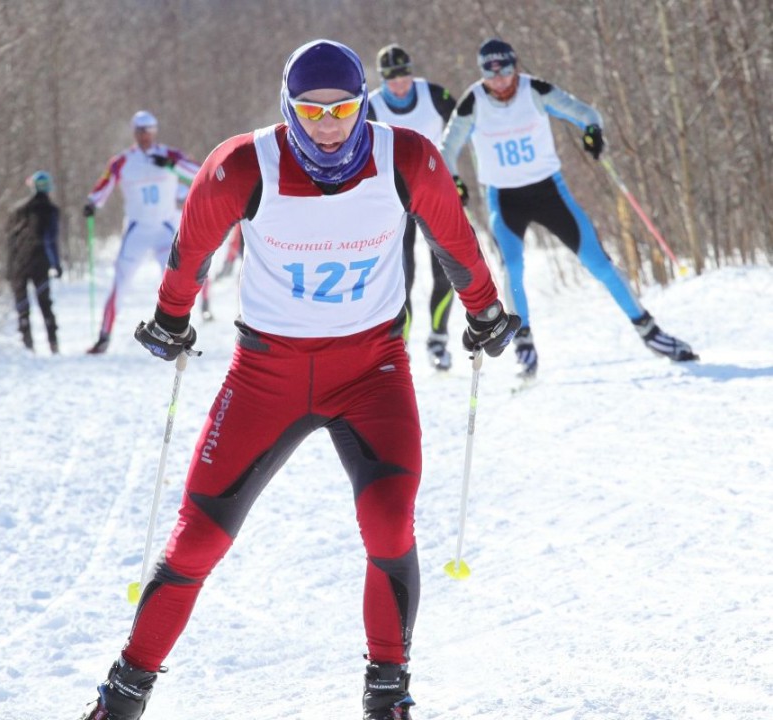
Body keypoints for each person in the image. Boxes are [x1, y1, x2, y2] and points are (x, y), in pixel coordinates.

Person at [81, 39, 519, 720]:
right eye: (309, 112)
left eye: (342, 109)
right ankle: (123, 696)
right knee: (197, 536)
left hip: (370, 370)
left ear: (360, 105)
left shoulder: (405, 158)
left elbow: (453, 240)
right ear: (287, 109)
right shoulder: (241, 165)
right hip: (267, 375)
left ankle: (388, 694)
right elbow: (191, 247)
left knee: (389, 524)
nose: (327, 125)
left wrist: (485, 310)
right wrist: (170, 318)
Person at [440, 38, 697, 379]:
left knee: (599, 262)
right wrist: (454, 180)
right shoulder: (473, 101)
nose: (499, 79)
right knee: (511, 268)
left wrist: (592, 132)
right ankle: (525, 347)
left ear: (515, 66)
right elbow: (447, 149)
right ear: (483, 72)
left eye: (505, 69)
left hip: (549, 192)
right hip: (505, 198)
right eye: (490, 71)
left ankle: (652, 333)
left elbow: (587, 114)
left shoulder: (536, 90)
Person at [367, 43, 459, 370]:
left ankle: (438, 339)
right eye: (392, 78)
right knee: (402, 276)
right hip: (396, 202)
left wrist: (456, 176)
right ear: (382, 79)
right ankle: (400, 345)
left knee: (445, 271)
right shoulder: (372, 106)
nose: (400, 84)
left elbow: (462, 130)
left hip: (435, 195)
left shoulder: (435, 96)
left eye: (404, 75)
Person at [83, 110, 200, 354]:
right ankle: (104, 336)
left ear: (155, 132)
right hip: (137, 229)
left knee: (176, 283)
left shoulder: (168, 155)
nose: (145, 136)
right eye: (140, 131)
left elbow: (199, 172)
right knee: (120, 283)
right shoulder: (123, 160)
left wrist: (171, 166)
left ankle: (177, 334)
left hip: (165, 228)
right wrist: (93, 202)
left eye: (149, 131)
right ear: (134, 133)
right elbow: (106, 182)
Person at [6, 171, 61, 353]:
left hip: (18, 263)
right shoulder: (51, 211)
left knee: (22, 305)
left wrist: (9, 266)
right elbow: (50, 240)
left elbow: (11, 241)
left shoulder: (18, 210)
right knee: (45, 303)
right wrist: (56, 264)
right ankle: (53, 343)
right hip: (41, 262)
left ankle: (28, 344)